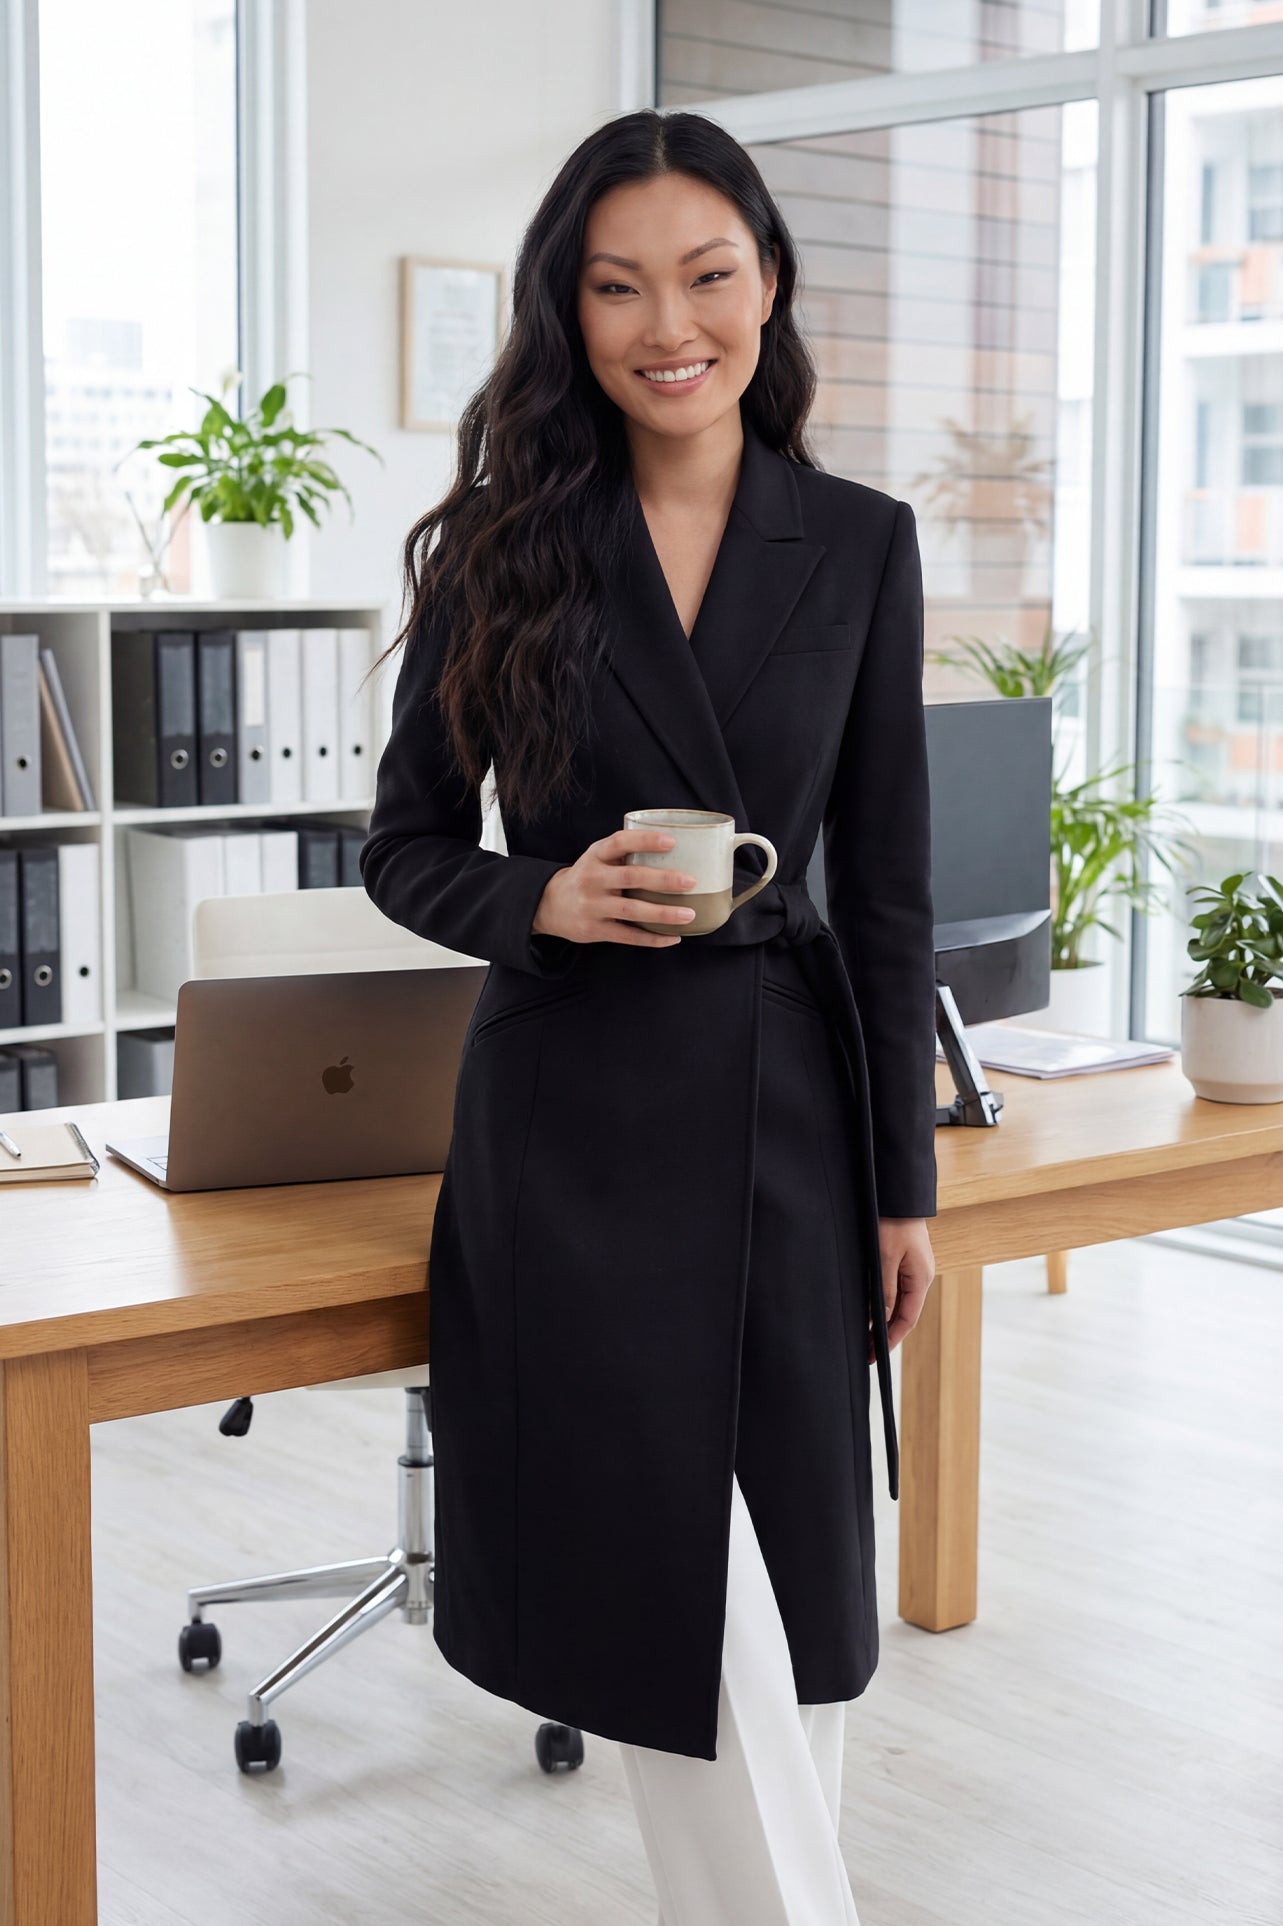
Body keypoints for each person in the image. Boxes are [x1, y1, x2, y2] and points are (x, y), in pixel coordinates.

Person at [360, 106, 938, 1925]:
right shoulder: (506, 548)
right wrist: (534, 897)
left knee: (794, 1607)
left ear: (768, 282)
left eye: (704, 274)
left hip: (788, 1123)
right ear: (568, 312)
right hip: (574, 1132)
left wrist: (904, 1186)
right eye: (616, 287)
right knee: (692, 1607)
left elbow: (893, 889)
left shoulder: (857, 544)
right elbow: (398, 846)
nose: (664, 321)